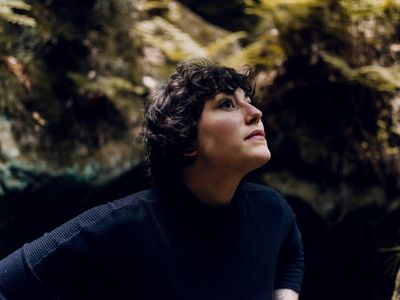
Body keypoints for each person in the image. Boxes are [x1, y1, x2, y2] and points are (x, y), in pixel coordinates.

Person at [0, 59, 304, 300]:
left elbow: (291, 250)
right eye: (227, 103)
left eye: (248, 99)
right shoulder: (122, 223)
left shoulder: (272, 210)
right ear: (186, 140)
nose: (255, 112)